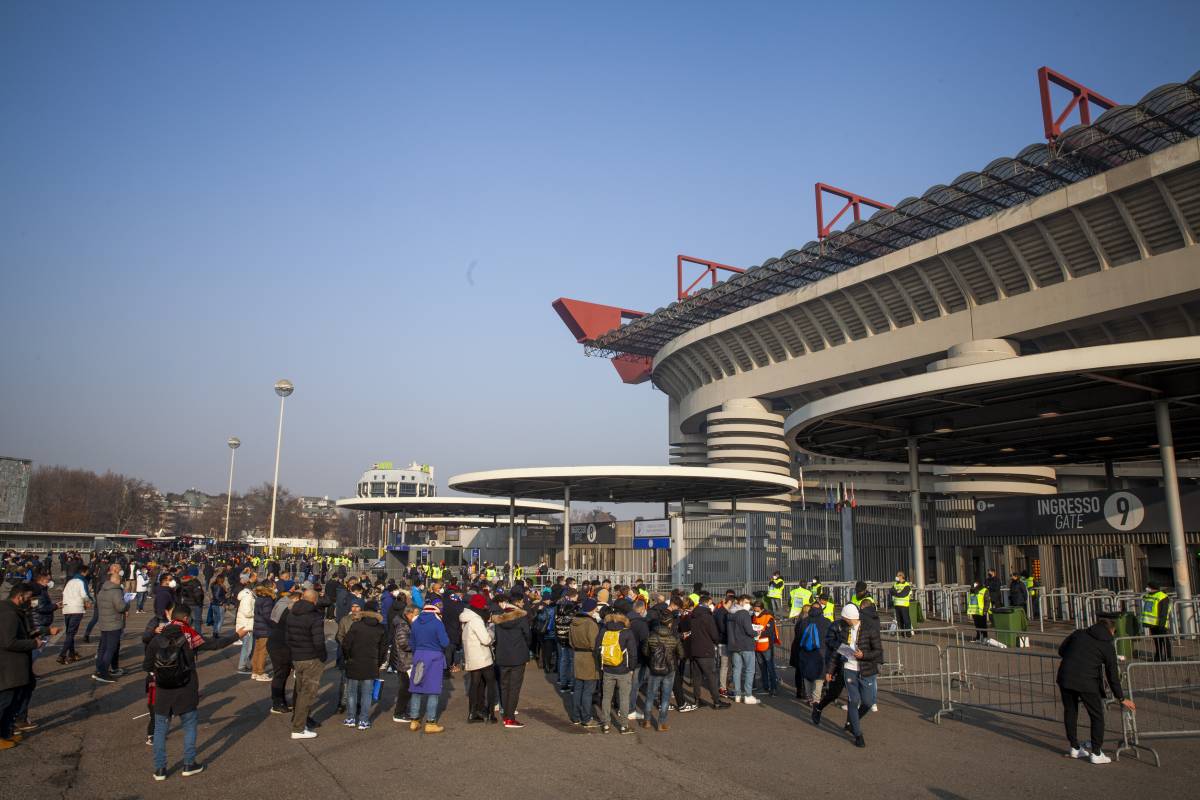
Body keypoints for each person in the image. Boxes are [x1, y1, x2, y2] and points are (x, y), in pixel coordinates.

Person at [143, 604, 238, 779]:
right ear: (186, 618)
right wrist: (237, 635)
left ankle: (160, 769)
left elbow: (147, 665)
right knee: (189, 727)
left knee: (160, 730)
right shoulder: (190, 635)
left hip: (163, 690)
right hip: (186, 688)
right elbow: (214, 644)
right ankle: (189, 763)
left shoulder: (158, 637)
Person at [1057, 612, 1136, 764]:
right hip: (1087, 682)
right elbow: (1112, 675)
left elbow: (1061, 651)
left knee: (1070, 712)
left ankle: (1074, 747)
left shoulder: (1079, 634)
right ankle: (1096, 752)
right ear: (1111, 631)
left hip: (1065, 677)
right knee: (1096, 716)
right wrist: (1121, 697)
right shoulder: (1107, 646)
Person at [0, 583, 41, 750]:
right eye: (28, 598)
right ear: (19, 596)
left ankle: (6, 732)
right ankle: (2, 734)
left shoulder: (13, 611)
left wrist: (39, 632)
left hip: (15, 666)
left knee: (13, 701)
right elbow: (9, 641)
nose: (30, 601)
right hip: (9, 666)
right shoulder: (9, 613)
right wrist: (33, 643)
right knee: (6, 702)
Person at [284, 588, 326, 740]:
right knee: (307, 694)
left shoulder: (291, 613)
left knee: (300, 690)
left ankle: (299, 722)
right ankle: (299, 727)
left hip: (297, 656)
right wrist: (322, 656)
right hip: (311, 658)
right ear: (314, 600)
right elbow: (319, 642)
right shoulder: (315, 617)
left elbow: (287, 637)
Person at [340, 599, 388, 730]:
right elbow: (383, 649)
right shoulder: (381, 628)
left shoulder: (356, 626)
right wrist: (378, 662)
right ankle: (364, 720)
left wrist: (348, 657)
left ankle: (351, 718)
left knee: (351, 692)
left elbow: (346, 644)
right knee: (367, 693)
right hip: (371, 663)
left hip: (354, 661)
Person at [408, 597, 450, 733]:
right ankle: (431, 722)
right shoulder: (438, 624)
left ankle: (414, 720)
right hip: (435, 658)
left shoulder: (415, 623)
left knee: (416, 687)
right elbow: (445, 642)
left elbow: (412, 643)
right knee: (433, 690)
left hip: (419, 655)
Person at [492, 591, 532, 728]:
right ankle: (509, 717)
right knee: (514, 687)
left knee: (504, 686)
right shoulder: (521, 618)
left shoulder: (499, 620)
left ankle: (506, 713)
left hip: (502, 655)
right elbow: (528, 636)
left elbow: (495, 638)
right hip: (518, 655)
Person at [640, 610, 684, 731]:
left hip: (655, 668)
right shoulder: (674, 637)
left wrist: (652, 658)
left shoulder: (651, 635)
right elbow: (681, 654)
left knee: (650, 695)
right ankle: (661, 723)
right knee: (665, 697)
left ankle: (647, 721)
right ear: (670, 623)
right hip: (670, 669)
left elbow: (645, 651)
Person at [595, 604, 635, 734]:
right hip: (623, 670)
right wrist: (631, 668)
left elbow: (597, 649)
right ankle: (623, 725)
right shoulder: (627, 632)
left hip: (607, 669)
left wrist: (600, 665)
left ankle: (606, 724)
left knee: (606, 698)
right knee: (624, 698)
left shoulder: (604, 630)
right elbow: (632, 653)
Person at [460, 593, 496, 723]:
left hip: (471, 656)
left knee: (475, 685)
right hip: (482, 657)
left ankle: (473, 712)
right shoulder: (476, 620)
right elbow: (486, 639)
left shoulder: (466, 618)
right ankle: (490, 713)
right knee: (490, 684)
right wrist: (491, 630)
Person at [790, 593, 830, 704]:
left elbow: (798, 637)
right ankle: (816, 699)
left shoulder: (803, 622)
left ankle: (808, 697)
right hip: (821, 653)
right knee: (819, 678)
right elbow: (830, 639)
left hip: (805, 652)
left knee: (807, 676)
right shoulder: (826, 622)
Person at [92, 563, 129, 684]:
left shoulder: (102, 590)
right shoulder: (116, 591)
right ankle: (103, 672)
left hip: (104, 622)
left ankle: (99, 669)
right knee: (110, 649)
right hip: (113, 623)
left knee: (103, 648)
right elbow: (120, 607)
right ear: (117, 581)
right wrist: (127, 603)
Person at [568, 597, 601, 727]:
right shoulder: (591, 624)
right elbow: (594, 644)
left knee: (578, 689)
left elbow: (570, 641)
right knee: (588, 690)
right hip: (589, 658)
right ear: (592, 609)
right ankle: (586, 718)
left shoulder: (573, 622)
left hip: (577, 656)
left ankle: (576, 716)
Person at [726, 595, 757, 704]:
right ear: (741, 602)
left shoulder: (730, 613)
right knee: (749, 670)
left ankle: (737, 694)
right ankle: (748, 695)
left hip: (734, 645)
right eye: (747, 602)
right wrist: (756, 633)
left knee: (737, 670)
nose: (749, 604)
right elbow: (749, 631)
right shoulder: (744, 613)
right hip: (746, 644)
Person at [390, 605, 418, 723]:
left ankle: (402, 710)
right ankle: (399, 713)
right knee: (405, 688)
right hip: (404, 660)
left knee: (407, 687)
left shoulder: (405, 623)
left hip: (405, 659)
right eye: (416, 613)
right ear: (409, 614)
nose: (417, 616)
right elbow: (404, 644)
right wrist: (417, 645)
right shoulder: (403, 625)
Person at [59, 566, 90, 664]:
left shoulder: (70, 581)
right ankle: (62, 655)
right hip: (76, 608)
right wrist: (88, 601)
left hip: (67, 608)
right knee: (71, 633)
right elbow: (84, 595)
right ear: (84, 572)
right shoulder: (82, 581)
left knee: (69, 633)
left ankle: (72, 653)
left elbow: (64, 593)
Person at [751, 600, 780, 697]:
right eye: (754, 609)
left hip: (766, 645)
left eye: (756, 609)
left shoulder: (769, 617)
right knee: (762, 667)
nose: (755, 611)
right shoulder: (753, 616)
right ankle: (765, 686)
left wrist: (757, 633)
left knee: (770, 667)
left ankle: (773, 688)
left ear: (761, 608)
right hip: (757, 646)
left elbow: (770, 632)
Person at [250, 580, 276, 682]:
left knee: (257, 650)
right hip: (264, 628)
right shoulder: (268, 599)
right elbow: (267, 615)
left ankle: (255, 671)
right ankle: (260, 672)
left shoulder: (260, 597)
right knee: (263, 651)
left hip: (258, 627)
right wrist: (273, 624)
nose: (275, 588)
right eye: (274, 586)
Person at [1141, 582, 1172, 662]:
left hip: (1160, 623)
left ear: (1152, 587)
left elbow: (1164, 612)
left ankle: (1168, 657)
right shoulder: (1149, 595)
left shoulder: (1162, 597)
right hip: (1152, 623)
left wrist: (1161, 624)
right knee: (1157, 641)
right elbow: (1145, 599)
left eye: (1148, 587)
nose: (1146, 588)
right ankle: (1158, 656)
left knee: (1164, 640)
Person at [234, 575, 256, 675]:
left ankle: (246, 664)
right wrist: (256, 613)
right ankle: (242, 666)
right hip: (246, 625)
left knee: (248, 646)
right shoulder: (248, 597)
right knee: (247, 646)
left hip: (245, 624)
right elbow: (247, 612)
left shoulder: (246, 595)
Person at [889, 571, 913, 636]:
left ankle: (908, 633)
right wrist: (897, 593)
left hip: (904, 605)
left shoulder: (906, 585)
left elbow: (903, 594)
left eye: (897, 576)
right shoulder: (895, 584)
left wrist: (896, 593)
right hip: (897, 605)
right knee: (900, 620)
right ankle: (902, 633)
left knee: (906, 620)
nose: (896, 577)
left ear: (901, 576)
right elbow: (891, 591)